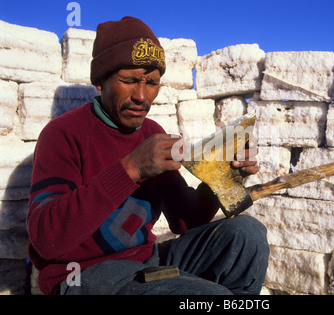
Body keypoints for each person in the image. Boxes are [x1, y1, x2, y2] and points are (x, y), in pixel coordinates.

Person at [27, 16, 269, 295]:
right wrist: (131, 168)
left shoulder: (151, 132)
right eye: (129, 80)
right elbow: (47, 240)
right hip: (80, 274)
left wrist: (224, 177)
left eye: (152, 82)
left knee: (246, 235)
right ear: (100, 82)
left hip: (145, 262)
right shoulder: (63, 134)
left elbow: (184, 221)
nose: (142, 96)